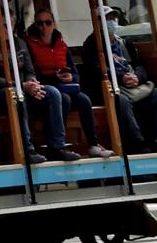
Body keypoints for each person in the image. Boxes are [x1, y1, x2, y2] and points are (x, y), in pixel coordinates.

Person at [0, 19, 75, 162]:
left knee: (53, 93)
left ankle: (58, 147)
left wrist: (33, 83)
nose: (7, 28)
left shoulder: (19, 43)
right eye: (3, 25)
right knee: (18, 96)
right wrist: (23, 85)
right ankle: (27, 149)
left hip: (24, 88)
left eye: (10, 24)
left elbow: (29, 70)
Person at [82, 8, 157, 154]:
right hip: (112, 90)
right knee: (121, 101)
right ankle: (139, 145)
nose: (113, 21)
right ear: (98, 23)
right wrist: (121, 77)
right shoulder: (91, 45)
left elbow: (140, 66)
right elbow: (94, 71)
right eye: (108, 18)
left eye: (114, 18)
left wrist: (137, 77)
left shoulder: (124, 43)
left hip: (134, 88)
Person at [25, 11, 114, 157]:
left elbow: (76, 73)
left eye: (47, 22)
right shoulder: (30, 44)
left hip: (64, 86)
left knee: (84, 100)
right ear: (36, 25)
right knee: (63, 99)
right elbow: (32, 74)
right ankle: (58, 145)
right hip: (45, 89)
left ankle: (93, 144)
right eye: (40, 23)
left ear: (54, 24)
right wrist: (54, 76)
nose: (44, 27)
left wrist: (70, 77)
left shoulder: (62, 44)